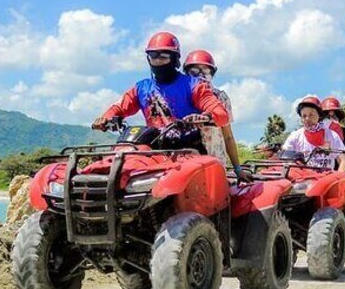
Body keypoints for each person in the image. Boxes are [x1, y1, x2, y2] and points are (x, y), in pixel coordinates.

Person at [91, 32, 230, 153]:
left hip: (187, 152)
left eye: (164, 56)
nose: (158, 61)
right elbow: (118, 108)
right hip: (152, 150)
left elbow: (222, 115)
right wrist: (105, 118)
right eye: (153, 56)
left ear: (175, 59)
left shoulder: (194, 85)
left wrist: (205, 117)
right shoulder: (142, 88)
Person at [182, 49, 253, 182]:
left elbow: (228, 136)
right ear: (186, 73)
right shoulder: (181, 97)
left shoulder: (220, 98)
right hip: (187, 165)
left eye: (206, 70)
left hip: (216, 163)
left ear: (212, 73)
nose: (200, 74)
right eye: (195, 70)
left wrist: (237, 169)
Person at [281, 96, 345, 172]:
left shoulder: (332, 135)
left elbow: (343, 160)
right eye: (304, 116)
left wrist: (339, 177)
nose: (307, 119)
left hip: (326, 180)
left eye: (311, 115)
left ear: (319, 115)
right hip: (302, 179)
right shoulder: (295, 136)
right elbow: (284, 158)